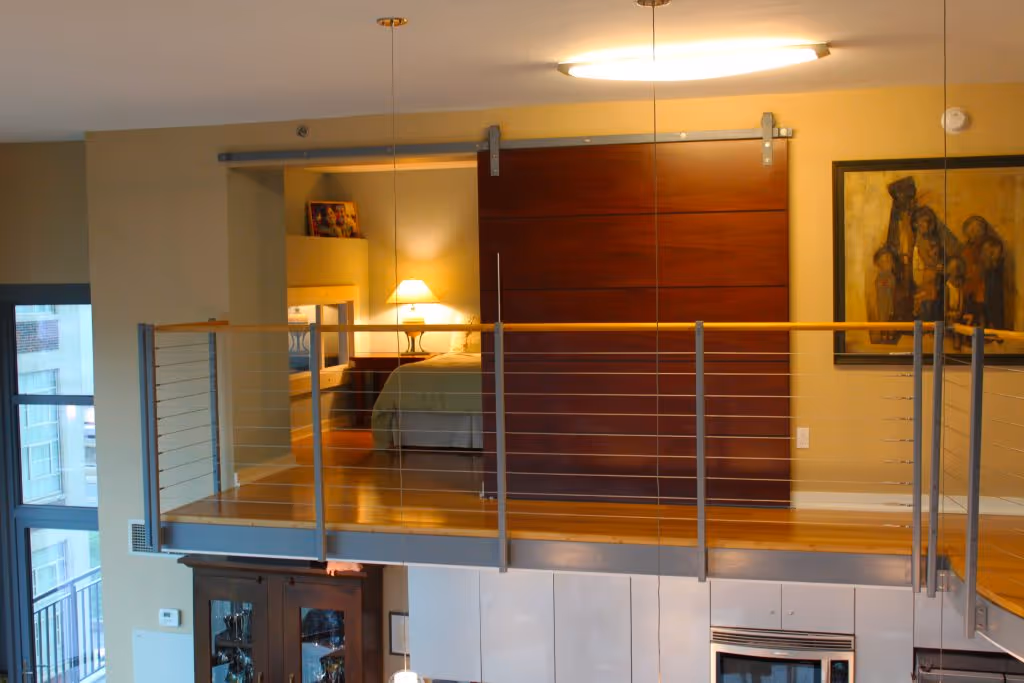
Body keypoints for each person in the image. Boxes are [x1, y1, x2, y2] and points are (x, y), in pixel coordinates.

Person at [873, 246, 898, 342]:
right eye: (883, 261)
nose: (887, 263)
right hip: (882, 302)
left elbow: (892, 285)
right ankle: (884, 334)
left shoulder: (891, 276)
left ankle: (890, 334)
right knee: (883, 318)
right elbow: (878, 285)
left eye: (889, 261)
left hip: (890, 301)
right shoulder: (880, 276)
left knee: (890, 317)